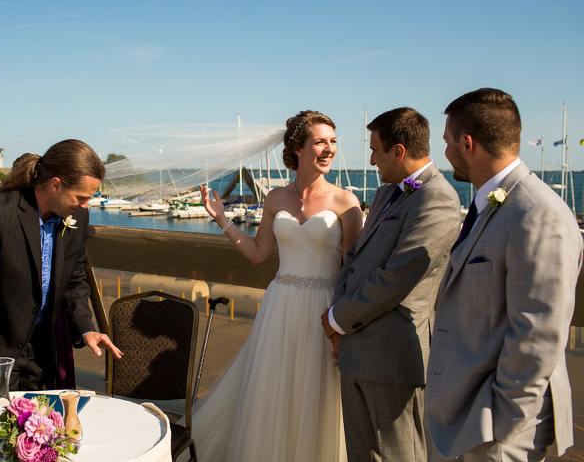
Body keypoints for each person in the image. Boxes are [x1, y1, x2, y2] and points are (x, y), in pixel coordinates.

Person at [193, 110, 363, 462]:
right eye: (320, 141)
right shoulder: (275, 198)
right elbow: (258, 253)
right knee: (273, 396)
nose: (329, 149)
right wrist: (222, 219)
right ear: (298, 149)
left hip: (324, 311)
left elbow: (353, 272)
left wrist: (340, 325)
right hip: (280, 306)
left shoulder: (347, 202)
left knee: (317, 397)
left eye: (333, 141)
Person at [427, 88, 583, 461]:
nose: (444, 152)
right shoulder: (491, 201)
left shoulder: (538, 214)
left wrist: (503, 425)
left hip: (498, 430)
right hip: (462, 418)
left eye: (447, 142)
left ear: (468, 144)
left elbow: (538, 335)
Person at [320, 107, 461, 461]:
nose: (370, 161)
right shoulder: (386, 193)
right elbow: (353, 262)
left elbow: (397, 275)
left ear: (398, 151)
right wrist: (340, 326)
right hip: (356, 353)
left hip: (393, 359)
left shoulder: (438, 198)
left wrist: (337, 318)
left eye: (374, 150)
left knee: (398, 455)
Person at [0, 139, 122, 417]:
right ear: (55, 184)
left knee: (40, 435)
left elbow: (74, 279)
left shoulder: (78, 218)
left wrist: (86, 328)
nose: (87, 205)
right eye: (81, 196)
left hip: (44, 351)